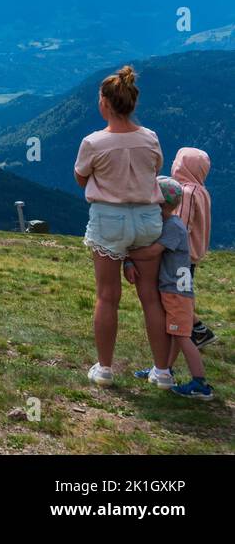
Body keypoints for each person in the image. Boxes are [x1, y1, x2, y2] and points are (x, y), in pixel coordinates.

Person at [74, 65, 171, 387]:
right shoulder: (150, 138)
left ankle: (104, 369)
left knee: (107, 296)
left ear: (105, 103)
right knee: (151, 298)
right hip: (147, 219)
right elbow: (154, 169)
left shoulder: (93, 142)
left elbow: (81, 177)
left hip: (109, 219)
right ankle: (162, 371)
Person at [127, 178, 215, 400]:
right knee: (176, 333)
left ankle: (200, 383)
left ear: (160, 204)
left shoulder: (173, 227)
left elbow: (152, 252)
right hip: (176, 289)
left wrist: (126, 256)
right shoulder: (172, 224)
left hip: (176, 291)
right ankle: (163, 368)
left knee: (183, 336)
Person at [171, 147, 216, 349]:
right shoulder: (202, 191)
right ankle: (194, 329)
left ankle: (193, 332)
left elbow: (181, 225)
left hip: (181, 254)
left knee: (177, 295)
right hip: (192, 254)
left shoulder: (186, 192)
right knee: (183, 292)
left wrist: (165, 246)